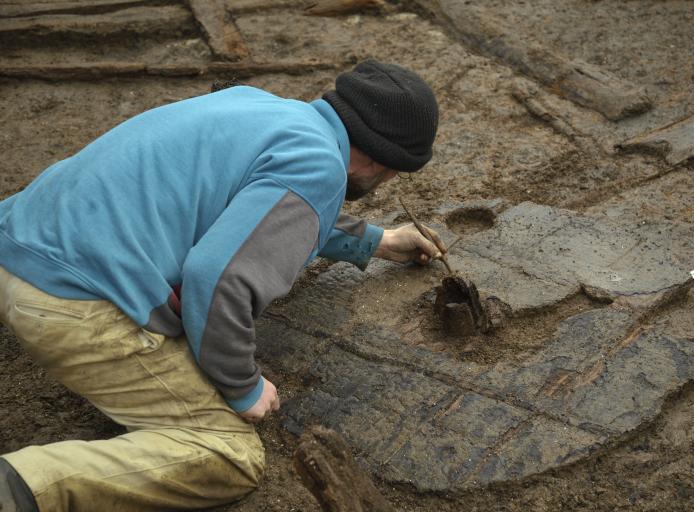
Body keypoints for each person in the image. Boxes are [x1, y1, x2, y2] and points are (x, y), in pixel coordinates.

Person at [0, 59, 445, 511]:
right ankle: (24, 485)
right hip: (69, 298)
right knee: (229, 456)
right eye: (396, 172)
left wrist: (377, 243)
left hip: (17, 240)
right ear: (376, 156)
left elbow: (263, 209)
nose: (389, 181)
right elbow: (216, 277)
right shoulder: (321, 165)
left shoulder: (259, 105)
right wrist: (242, 386)